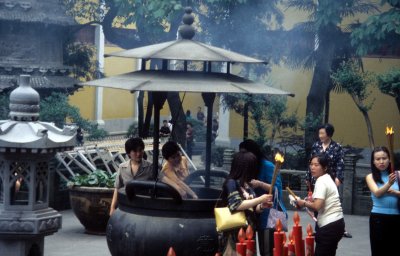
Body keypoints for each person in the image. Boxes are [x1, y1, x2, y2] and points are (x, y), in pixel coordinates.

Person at [218, 151, 273, 256]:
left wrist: (261, 206)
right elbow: (236, 205)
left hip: (248, 231)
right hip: (234, 232)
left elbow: (253, 208)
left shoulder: (246, 184)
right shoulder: (231, 183)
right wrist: (260, 199)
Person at [239, 139, 287, 256]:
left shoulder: (268, 166)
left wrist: (260, 184)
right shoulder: (249, 165)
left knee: (267, 250)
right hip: (256, 212)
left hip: (269, 214)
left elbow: (277, 190)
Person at [305, 123, 351, 238]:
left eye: (322, 133)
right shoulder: (316, 145)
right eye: (319, 133)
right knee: (316, 203)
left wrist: (338, 179)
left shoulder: (337, 147)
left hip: (330, 180)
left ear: (329, 134)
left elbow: (340, 163)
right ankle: (319, 227)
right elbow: (311, 162)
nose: (320, 135)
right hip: (315, 179)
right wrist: (308, 177)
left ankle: (338, 227)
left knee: (330, 204)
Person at [296, 154, 345, 256]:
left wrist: (303, 203)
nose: (312, 167)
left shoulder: (321, 181)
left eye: (316, 165)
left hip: (329, 226)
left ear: (325, 167)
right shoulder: (327, 178)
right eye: (311, 164)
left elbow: (317, 206)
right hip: (337, 223)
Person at [365, 147, 400, 256]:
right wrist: (389, 183)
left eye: (384, 158)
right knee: (378, 251)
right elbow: (377, 193)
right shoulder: (370, 177)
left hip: (396, 217)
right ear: (373, 162)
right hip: (378, 218)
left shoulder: (398, 175)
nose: (381, 161)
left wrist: (395, 192)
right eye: (378, 159)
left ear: (389, 160)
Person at [110, 137, 153, 215]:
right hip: (127, 206)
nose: (138, 154)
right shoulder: (122, 167)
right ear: (129, 153)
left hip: (145, 208)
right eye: (135, 151)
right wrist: (112, 207)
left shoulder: (150, 167)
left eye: (140, 150)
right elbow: (117, 188)